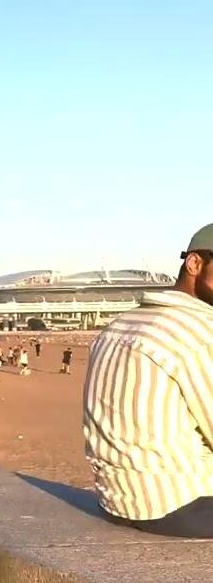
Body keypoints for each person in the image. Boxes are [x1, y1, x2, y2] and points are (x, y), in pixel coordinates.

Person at [84, 223, 213, 537]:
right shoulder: (197, 332)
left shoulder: (121, 323)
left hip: (117, 501)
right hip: (180, 504)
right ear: (194, 263)